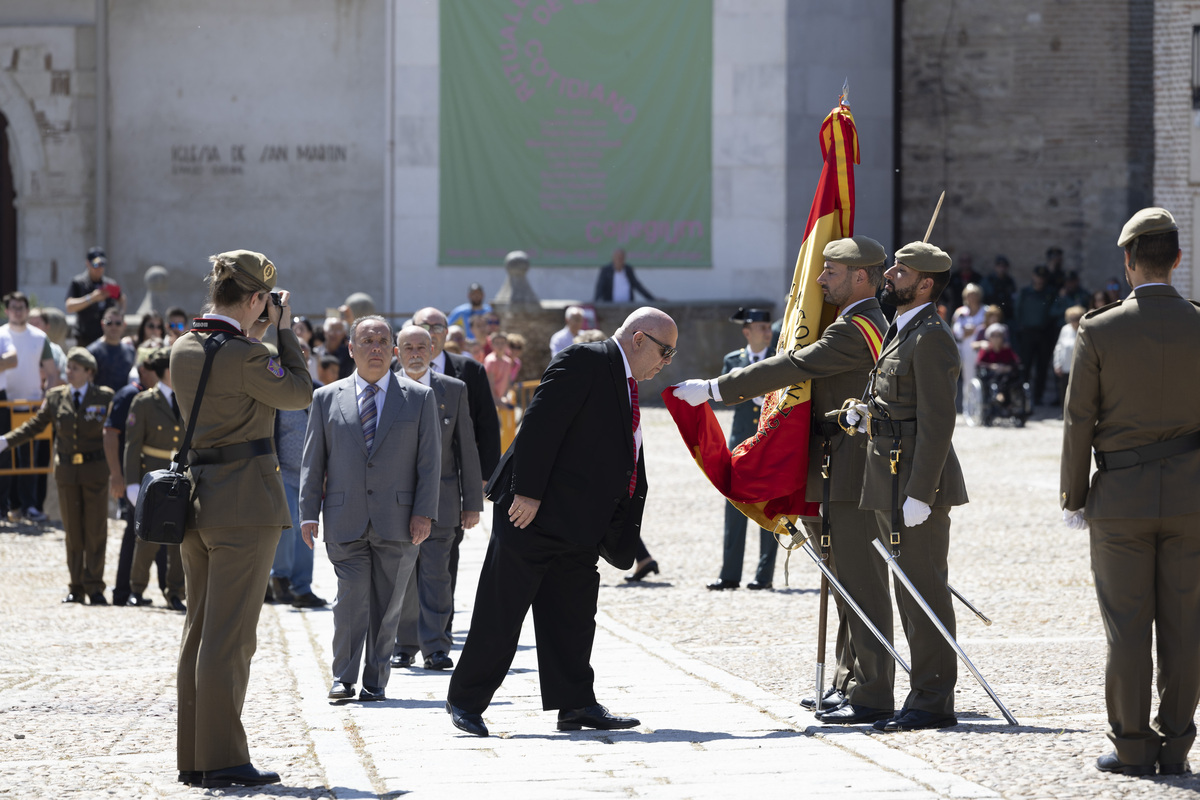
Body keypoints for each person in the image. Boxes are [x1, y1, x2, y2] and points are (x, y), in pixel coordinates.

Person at [674, 236, 893, 723]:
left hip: (851, 473)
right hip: (831, 469)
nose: (818, 280)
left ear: (861, 276)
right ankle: (848, 680)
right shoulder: (848, 320)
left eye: (830, 272)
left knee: (860, 582)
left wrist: (716, 388)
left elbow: (795, 364)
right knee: (842, 582)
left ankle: (874, 691)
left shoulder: (858, 328)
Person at [446, 307, 676, 737]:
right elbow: (540, 424)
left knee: (572, 615)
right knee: (503, 607)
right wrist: (528, 492)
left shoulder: (625, 381)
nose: (667, 362)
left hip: (580, 521)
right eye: (666, 352)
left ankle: (576, 705)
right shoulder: (584, 359)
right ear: (640, 339)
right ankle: (465, 700)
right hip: (532, 512)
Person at [1061, 207, 1200, 777]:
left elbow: (1078, 423)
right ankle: (1177, 746)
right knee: (1186, 625)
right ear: (1177, 258)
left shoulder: (1099, 329)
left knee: (1127, 626)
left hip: (1120, 500)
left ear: (1127, 261)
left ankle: (1133, 746)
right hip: (1192, 497)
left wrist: (1073, 497)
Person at [170, 249, 312, 789]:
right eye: (263, 302)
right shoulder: (248, 355)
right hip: (245, 505)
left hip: (198, 501)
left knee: (200, 632)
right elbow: (299, 393)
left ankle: (196, 755)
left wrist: (262, 331)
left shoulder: (182, 346)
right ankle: (224, 759)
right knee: (230, 639)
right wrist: (285, 332)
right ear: (256, 299)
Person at [858, 241, 968, 732]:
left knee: (923, 591)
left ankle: (932, 701)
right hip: (890, 474)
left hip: (914, 484)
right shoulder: (903, 330)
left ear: (925, 283)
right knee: (908, 589)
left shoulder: (931, 337)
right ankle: (922, 694)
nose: (889, 275)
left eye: (900, 271)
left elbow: (939, 422)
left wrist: (922, 492)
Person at [301, 315, 440, 703]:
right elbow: (315, 462)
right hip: (345, 518)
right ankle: (343, 677)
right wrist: (309, 513)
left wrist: (424, 512)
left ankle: (375, 678)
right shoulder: (326, 398)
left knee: (388, 603)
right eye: (367, 341)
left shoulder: (418, 397)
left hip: (400, 520)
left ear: (393, 350)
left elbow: (429, 463)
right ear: (351, 349)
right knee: (351, 598)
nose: (375, 348)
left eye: (382, 341)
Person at [392, 325, 483, 671]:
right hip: (396, 502)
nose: (415, 353)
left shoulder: (453, 389)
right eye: (408, 347)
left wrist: (472, 502)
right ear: (397, 352)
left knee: (436, 576)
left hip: (442, 501)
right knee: (402, 575)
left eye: (421, 347)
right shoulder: (384, 388)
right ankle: (404, 644)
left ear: (433, 350)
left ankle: (436, 647)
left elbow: (467, 449)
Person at [409, 306, 501, 635]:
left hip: (452, 484)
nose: (431, 332)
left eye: (438, 326)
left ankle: (439, 626)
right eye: (424, 325)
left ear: (447, 333)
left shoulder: (469, 371)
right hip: (404, 486)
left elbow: (486, 427)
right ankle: (407, 632)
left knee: (445, 557)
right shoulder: (395, 369)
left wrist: (482, 480)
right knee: (405, 560)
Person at [0, 348, 114, 604]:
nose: (68, 372)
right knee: (73, 531)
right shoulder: (55, 397)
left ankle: (95, 586)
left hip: (94, 470)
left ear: (89, 372)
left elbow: (113, 433)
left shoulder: (104, 397)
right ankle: (76, 587)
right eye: (68, 367)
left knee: (95, 530)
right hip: (67, 474)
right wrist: (7, 441)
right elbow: (35, 426)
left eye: (75, 368)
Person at [704, 307, 778, 591]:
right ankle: (730, 573)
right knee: (734, 508)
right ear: (747, 332)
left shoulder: (777, 359)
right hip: (739, 444)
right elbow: (724, 398)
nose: (766, 331)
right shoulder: (733, 360)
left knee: (769, 507)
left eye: (767, 326)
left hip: (767, 443)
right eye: (760, 327)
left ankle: (764, 575)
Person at [122, 346, 186, 611]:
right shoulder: (145, 401)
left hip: (179, 475)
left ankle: (175, 592)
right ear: (165, 371)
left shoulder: (187, 398)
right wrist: (132, 483)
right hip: (153, 476)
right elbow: (132, 445)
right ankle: (136, 588)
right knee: (147, 537)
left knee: (178, 537)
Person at [105, 348, 164, 606]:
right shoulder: (130, 394)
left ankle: (152, 588)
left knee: (158, 532)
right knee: (134, 533)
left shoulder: (158, 397)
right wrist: (117, 475)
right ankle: (122, 591)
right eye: (154, 369)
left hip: (147, 476)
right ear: (142, 370)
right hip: (133, 476)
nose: (159, 375)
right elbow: (111, 434)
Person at [266, 360, 326, 610]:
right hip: (280, 472)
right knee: (288, 528)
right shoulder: (272, 390)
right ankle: (279, 577)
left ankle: (301, 587)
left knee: (307, 530)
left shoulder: (318, 391)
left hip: (309, 475)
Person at [0, 292, 57, 522]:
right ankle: (3, 507)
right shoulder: (1, 335)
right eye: (13, 307)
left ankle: (29, 506)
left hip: (31, 404)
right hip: (5, 404)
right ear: (7, 310)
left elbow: (52, 373)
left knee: (29, 459)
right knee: (4, 457)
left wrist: (46, 398)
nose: (17, 311)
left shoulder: (39, 337)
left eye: (21, 307)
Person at [1013, 266, 1056, 405]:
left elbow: (1053, 311)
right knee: (1025, 366)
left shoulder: (1050, 292)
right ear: (1033, 276)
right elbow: (1017, 311)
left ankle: (1038, 397)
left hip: (1044, 334)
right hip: (1027, 333)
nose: (1040, 280)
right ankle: (1023, 395)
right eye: (1038, 276)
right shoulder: (1026, 292)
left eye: (1043, 278)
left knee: (1042, 367)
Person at [65, 246, 125, 347]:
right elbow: (69, 306)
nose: (99, 268)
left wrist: (120, 316)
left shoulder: (109, 284)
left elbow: (122, 299)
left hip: (105, 337)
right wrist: (91, 298)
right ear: (88, 263)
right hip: (84, 337)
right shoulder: (79, 283)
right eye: (96, 264)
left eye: (102, 264)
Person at [951, 284, 986, 404]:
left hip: (982, 347)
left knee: (982, 377)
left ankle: (982, 404)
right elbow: (956, 331)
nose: (972, 298)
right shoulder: (960, 312)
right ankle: (969, 405)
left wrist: (975, 330)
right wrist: (967, 332)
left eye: (975, 295)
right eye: (969, 295)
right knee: (968, 377)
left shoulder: (985, 311)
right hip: (966, 348)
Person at [87, 307, 136, 392]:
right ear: (102, 324)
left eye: (118, 323)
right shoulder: (92, 351)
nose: (114, 327)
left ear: (124, 325)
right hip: (99, 401)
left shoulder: (130, 351)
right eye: (109, 323)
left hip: (123, 402)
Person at [1051, 305, 1086, 407]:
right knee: (1064, 391)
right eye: (1071, 318)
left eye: (1076, 318)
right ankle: (1064, 412)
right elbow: (1059, 347)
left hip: (1079, 367)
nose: (1073, 321)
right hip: (1065, 366)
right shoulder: (1065, 329)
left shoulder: (1084, 329)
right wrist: (1057, 364)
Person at [981, 255, 1016, 322]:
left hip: (1006, 315)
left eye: (1004, 266)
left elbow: (1012, 298)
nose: (1001, 268)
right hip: (990, 315)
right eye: (999, 266)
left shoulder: (1009, 281)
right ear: (995, 267)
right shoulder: (988, 281)